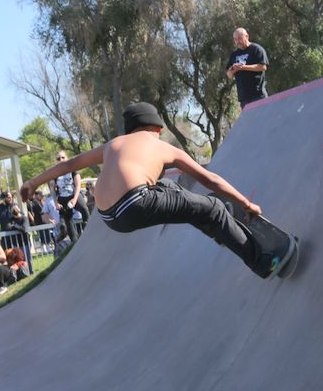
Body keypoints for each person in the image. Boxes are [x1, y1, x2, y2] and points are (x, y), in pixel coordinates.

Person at [21, 102, 291, 279]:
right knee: (213, 208)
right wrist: (246, 203)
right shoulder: (161, 146)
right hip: (136, 201)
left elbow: (68, 164)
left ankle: (217, 229)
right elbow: (209, 179)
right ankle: (262, 263)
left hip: (109, 217)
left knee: (169, 187)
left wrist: (32, 182)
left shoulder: (113, 144)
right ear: (157, 128)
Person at [51, 151, 91, 241]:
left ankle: (88, 229)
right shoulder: (55, 173)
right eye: (58, 159)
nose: (61, 160)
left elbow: (78, 185)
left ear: (67, 158)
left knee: (84, 209)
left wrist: (75, 199)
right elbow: (52, 189)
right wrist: (56, 202)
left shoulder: (73, 169)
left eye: (63, 157)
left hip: (74, 194)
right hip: (62, 198)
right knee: (68, 221)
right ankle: (74, 241)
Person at [226, 28, 269, 109]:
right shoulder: (234, 54)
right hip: (244, 99)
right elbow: (229, 75)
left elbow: (263, 67)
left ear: (247, 36)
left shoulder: (257, 49)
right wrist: (234, 69)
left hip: (258, 95)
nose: (237, 41)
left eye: (240, 38)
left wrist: (243, 67)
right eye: (235, 39)